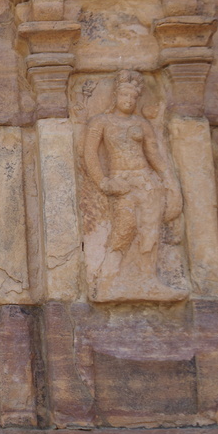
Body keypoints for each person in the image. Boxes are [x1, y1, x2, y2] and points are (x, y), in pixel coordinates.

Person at [82, 69, 182, 300]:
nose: (128, 100)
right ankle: (107, 282)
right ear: (115, 96)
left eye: (132, 97)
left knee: (150, 230)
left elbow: (154, 155)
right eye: (124, 95)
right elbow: (90, 154)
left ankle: (149, 280)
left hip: (147, 181)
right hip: (121, 180)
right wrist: (104, 182)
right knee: (124, 229)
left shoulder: (141, 123)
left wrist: (170, 183)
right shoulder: (101, 121)